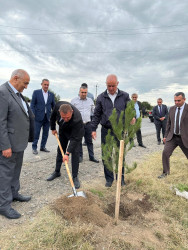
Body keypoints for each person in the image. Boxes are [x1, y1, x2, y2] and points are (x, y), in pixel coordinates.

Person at [91, 74, 135, 187]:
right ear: (106, 84)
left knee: (120, 155)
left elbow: (130, 108)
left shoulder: (124, 96)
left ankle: (120, 178)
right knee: (107, 154)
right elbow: (96, 114)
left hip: (120, 131)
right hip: (106, 130)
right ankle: (109, 179)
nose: (111, 88)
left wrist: (132, 116)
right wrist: (93, 129)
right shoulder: (101, 97)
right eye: (109, 86)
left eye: (113, 86)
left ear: (117, 84)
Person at [0, 69, 33, 219]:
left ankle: (13, 193)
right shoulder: (3, 93)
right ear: (15, 78)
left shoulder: (18, 94)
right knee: (5, 174)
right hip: (8, 145)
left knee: (15, 171)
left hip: (18, 143)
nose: (26, 86)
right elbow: (1, 122)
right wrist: (4, 145)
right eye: (25, 83)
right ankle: (4, 205)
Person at [47, 102, 84, 189]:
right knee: (60, 150)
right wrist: (53, 128)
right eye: (63, 117)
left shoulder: (77, 118)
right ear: (59, 112)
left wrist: (67, 153)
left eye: (68, 117)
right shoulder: (57, 107)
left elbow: (74, 139)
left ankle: (75, 177)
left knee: (75, 152)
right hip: (63, 130)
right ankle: (57, 171)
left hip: (75, 132)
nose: (66, 119)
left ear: (71, 112)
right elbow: (52, 118)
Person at [158, 92, 188, 178]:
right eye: (175, 100)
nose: (176, 102)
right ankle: (165, 172)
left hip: (185, 138)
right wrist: (165, 136)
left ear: (184, 99)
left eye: (179, 100)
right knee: (165, 153)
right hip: (173, 137)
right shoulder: (171, 109)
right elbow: (168, 124)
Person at [71, 86, 99, 163]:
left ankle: (91, 156)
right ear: (79, 92)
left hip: (88, 124)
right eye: (82, 92)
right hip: (78, 124)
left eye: (85, 92)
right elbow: (70, 113)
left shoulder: (90, 101)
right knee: (79, 141)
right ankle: (80, 156)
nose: (83, 94)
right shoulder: (74, 101)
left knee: (89, 141)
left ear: (87, 92)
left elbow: (94, 111)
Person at [30, 79, 55, 154]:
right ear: (41, 84)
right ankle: (34, 147)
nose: (46, 86)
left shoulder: (51, 94)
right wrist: (33, 114)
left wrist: (55, 115)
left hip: (47, 117)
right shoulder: (36, 92)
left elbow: (54, 106)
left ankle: (42, 147)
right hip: (37, 117)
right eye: (45, 84)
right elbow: (32, 104)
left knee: (45, 133)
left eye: (47, 85)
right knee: (36, 133)